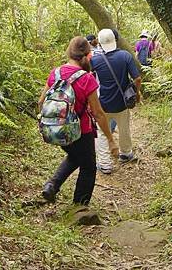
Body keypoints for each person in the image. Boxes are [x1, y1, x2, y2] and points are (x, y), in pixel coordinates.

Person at [38, 36, 118, 205]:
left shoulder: (55, 73)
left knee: (74, 157)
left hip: (57, 129)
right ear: (88, 55)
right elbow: (98, 113)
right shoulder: (86, 78)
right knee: (88, 167)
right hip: (81, 131)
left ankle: (51, 185)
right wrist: (110, 139)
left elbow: (41, 102)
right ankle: (80, 207)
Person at [91, 28, 142, 174]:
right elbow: (137, 78)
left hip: (103, 103)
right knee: (124, 127)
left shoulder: (95, 60)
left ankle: (105, 163)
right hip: (122, 102)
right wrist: (136, 93)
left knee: (101, 132)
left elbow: (89, 78)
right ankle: (125, 153)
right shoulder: (125, 56)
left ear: (99, 42)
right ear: (115, 40)